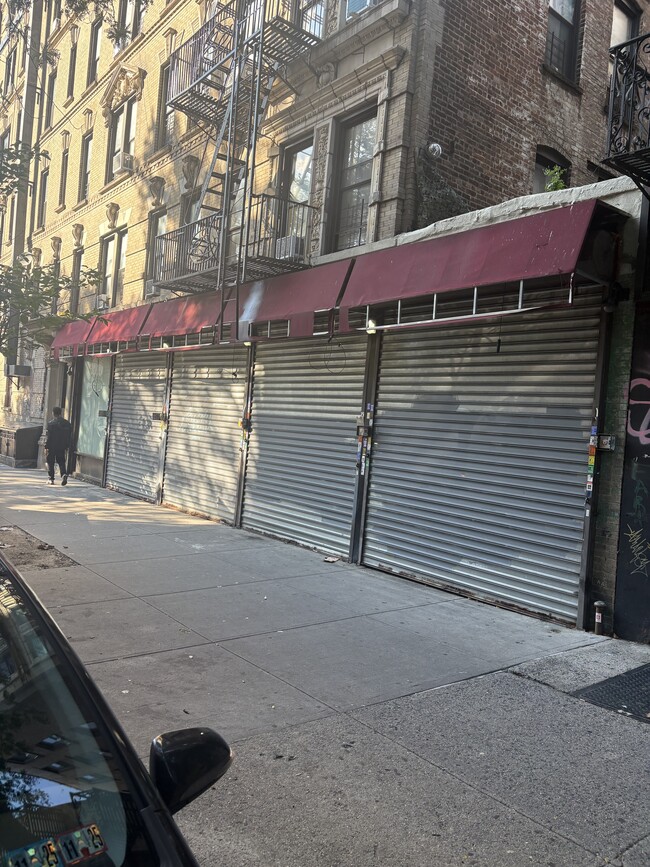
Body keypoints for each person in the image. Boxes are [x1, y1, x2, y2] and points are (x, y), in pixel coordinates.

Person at [45, 406, 72, 486]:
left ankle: (51, 478)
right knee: (61, 461)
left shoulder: (51, 424)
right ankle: (63, 474)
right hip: (62, 446)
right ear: (60, 413)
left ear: (53, 413)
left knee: (50, 462)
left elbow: (49, 437)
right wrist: (67, 445)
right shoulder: (67, 423)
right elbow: (69, 436)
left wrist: (46, 446)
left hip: (52, 446)